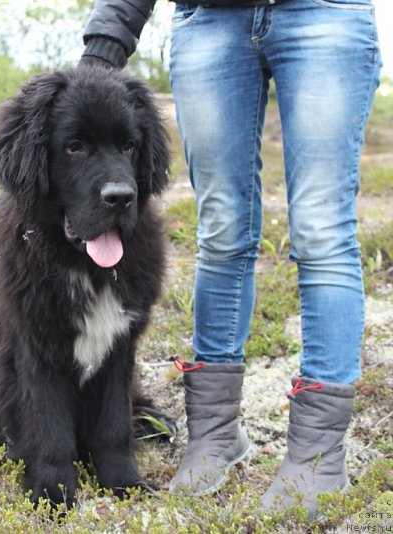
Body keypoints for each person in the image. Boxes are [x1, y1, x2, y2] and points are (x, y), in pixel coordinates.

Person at [79, 0, 382, 522]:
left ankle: (317, 453)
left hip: (325, 14)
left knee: (321, 229)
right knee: (220, 229)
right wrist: (108, 37)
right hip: (210, 20)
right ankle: (215, 435)